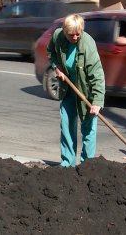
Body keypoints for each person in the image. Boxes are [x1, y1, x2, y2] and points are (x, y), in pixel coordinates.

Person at [47, 14, 105, 167]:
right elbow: (51, 52)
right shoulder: (57, 36)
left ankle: (87, 165)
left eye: (77, 34)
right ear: (64, 31)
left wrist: (97, 102)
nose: (74, 37)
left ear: (82, 30)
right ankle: (67, 163)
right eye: (71, 34)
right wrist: (56, 67)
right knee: (66, 124)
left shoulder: (88, 45)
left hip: (85, 91)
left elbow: (97, 75)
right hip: (68, 89)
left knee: (88, 127)